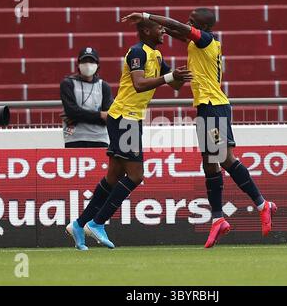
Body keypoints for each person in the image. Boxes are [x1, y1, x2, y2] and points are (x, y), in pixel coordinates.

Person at [122, 8, 277, 248]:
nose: (187, 24)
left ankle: (261, 203)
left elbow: (177, 27)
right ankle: (218, 219)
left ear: (202, 28)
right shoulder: (199, 42)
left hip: (214, 105)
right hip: (205, 107)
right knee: (209, 164)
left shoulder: (207, 40)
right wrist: (158, 27)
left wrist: (146, 16)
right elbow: (175, 29)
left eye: (192, 22)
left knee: (224, 158)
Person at [66, 19, 193, 250]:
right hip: (125, 117)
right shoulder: (137, 52)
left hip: (129, 119)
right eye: (158, 27)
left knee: (113, 177)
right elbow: (139, 84)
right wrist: (168, 77)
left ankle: (79, 223)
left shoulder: (156, 55)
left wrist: (181, 75)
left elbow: (174, 86)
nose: (162, 30)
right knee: (136, 175)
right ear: (146, 30)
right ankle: (97, 223)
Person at [60, 47, 113, 148]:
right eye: (84, 61)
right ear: (78, 65)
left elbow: (109, 116)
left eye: (92, 61)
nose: (88, 65)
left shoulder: (103, 86)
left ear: (97, 65)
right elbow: (72, 112)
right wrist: (100, 115)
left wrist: (78, 116)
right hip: (75, 138)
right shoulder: (68, 84)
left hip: (99, 138)